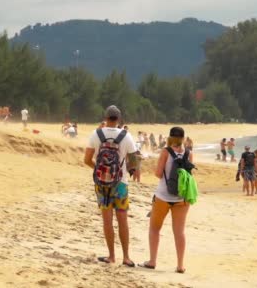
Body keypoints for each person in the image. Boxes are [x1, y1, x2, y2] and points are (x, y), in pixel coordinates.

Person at [83, 105, 139, 267]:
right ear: (119, 119)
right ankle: (126, 257)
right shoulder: (126, 136)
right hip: (121, 184)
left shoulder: (96, 134)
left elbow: (86, 159)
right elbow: (133, 163)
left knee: (107, 221)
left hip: (102, 184)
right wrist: (128, 169)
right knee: (123, 220)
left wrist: (101, 171)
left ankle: (111, 256)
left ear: (106, 118)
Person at [139, 126, 194, 274]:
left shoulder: (165, 152)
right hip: (182, 199)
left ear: (170, 137)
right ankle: (180, 265)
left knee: (155, 228)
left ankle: (152, 261)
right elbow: (189, 177)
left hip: (163, 195)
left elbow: (158, 173)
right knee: (179, 232)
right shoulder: (189, 153)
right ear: (183, 138)